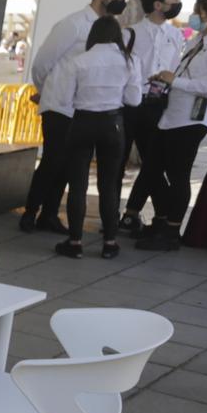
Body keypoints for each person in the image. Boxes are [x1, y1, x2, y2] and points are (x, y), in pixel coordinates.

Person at [22, 0, 132, 233]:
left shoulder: (112, 29)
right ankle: (30, 212)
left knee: (69, 165)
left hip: (85, 108)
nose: (122, 2)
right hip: (60, 104)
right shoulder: (73, 24)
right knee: (52, 160)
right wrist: (47, 90)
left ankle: (49, 214)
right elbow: (43, 63)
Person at [136, 0, 207, 251]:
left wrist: (176, 81)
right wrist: (166, 79)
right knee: (153, 168)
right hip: (172, 113)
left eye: (198, 11)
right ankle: (160, 221)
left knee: (178, 173)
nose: (194, 16)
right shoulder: (199, 40)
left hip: (193, 119)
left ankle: (172, 230)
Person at [45, 17, 142, 258]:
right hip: (113, 124)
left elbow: (65, 99)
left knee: (77, 184)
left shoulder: (79, 61)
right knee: (109, 185)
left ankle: (75, 241)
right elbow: (134, 100)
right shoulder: (130, 62)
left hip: (82, 123)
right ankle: (110, 243)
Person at [119, 0, 186, 235]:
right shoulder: (131, 34)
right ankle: (114, 215)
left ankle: (158, 215)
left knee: (154, 162)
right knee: (119, 161)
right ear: (158, 4)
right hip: (131, 104)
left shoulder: (176, 35)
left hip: (159, 105)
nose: (178, 4)